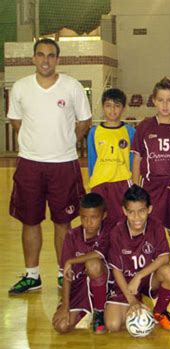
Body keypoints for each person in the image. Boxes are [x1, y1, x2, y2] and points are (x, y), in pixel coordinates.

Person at [8, 38, 91, 294]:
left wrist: (65, 142)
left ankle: (62, 272)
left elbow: (84, 121)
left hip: (63, 164)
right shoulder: (20, 88)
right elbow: (16, 121)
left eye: (51, 55)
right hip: (30, 164)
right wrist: (36, 145)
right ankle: (32, 276)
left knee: (63, 223)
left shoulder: (72, 87)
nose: (46, 59)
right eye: (41, 55)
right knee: (29, 221)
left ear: (58, 59)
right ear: (33, 58)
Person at [104, 185, 170, 331]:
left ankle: (159, 311)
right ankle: (135, 303)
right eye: (131, 212)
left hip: (147, 278)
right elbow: (117, 271)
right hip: (125, 282)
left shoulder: (156, 226)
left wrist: (139, 276)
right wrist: (131, 300)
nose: (136, 217)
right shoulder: (117, 231)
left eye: (141, 211)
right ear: (124, 211)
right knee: (112, 326)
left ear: (149, 209)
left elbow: (164, 257)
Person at [131, 77, 170, 250]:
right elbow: (137, 159)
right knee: (150, 232)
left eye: (169, 100)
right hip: (151, 188)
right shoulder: (144, 127)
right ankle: (149, 271)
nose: (165, 105)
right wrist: (136, 188)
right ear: (153, 101)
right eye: (161, 100)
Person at [52, 193, 110, 334]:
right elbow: (67, 274)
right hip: (78, 289)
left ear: (103, 215)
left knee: (93, 264)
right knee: (61, 326)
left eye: (94, 217)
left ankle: (99, 312)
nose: (88, 222)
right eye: (84, 217)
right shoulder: (72, 235)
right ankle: (84, 313)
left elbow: (97, 254)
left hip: (104, 286)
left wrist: (71, 260)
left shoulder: (109, 230)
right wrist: (65, 306)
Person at [87, 88, 135, 227]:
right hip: (100, 182)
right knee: (100, 220)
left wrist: (132, 180)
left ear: (123, 108)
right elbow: (92, 159)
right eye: (108, 106)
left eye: (117, 106)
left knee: (121, 220)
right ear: (103, 107)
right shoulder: (94, 132)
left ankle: (120, 248)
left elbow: (132, 158)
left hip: (122, 182)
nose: (112, 110)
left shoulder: (130, 131)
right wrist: (93, 181)